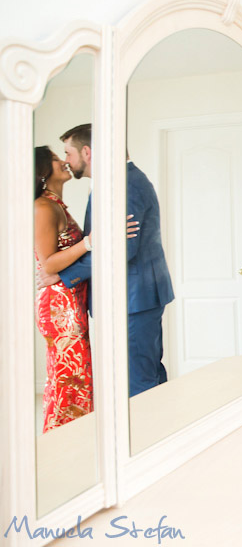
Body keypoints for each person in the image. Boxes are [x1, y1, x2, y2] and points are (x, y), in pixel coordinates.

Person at [48, 123, 174, 397]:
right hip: (132, 296)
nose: (67, 161)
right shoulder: (115, 181)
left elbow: (121, 250)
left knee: (139, 381)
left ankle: (147, 437)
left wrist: (64, 274)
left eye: (68, 153)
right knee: (145, 373)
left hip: (132, 297)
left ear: (87, 152)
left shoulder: (125, 185)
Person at [34, 146, 93, 431]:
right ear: (44, 172)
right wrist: (90, 242)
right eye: (57, 159)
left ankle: (74, 440)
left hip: (70, 300)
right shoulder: (43, 207)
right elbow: (47, 265)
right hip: (60, 307)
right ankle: (64, 441)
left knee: (75, 377)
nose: (64, 162)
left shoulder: (56, 205)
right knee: (69, 378)